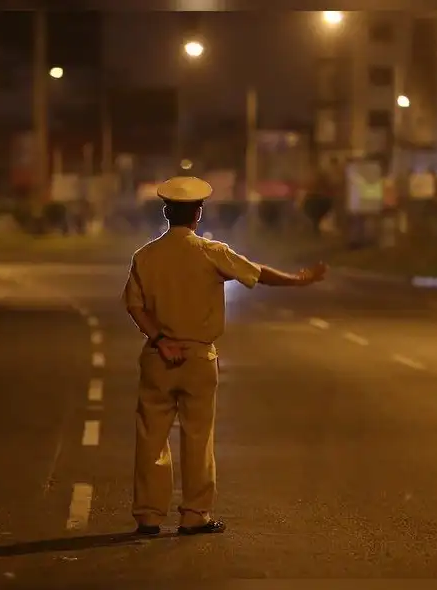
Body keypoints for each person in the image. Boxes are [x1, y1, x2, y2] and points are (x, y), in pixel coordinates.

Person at [122, 176, 328, 536]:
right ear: (198, 213)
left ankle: (149, 516)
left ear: (166, 212)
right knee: (198, 437)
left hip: (158, 356)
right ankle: (194, 515)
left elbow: (135, 306)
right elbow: (257, 273)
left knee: (151, 437)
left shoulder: (145, 256)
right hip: (199, 359)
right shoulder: (211, 252)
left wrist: (161, 339)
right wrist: (299, 280)